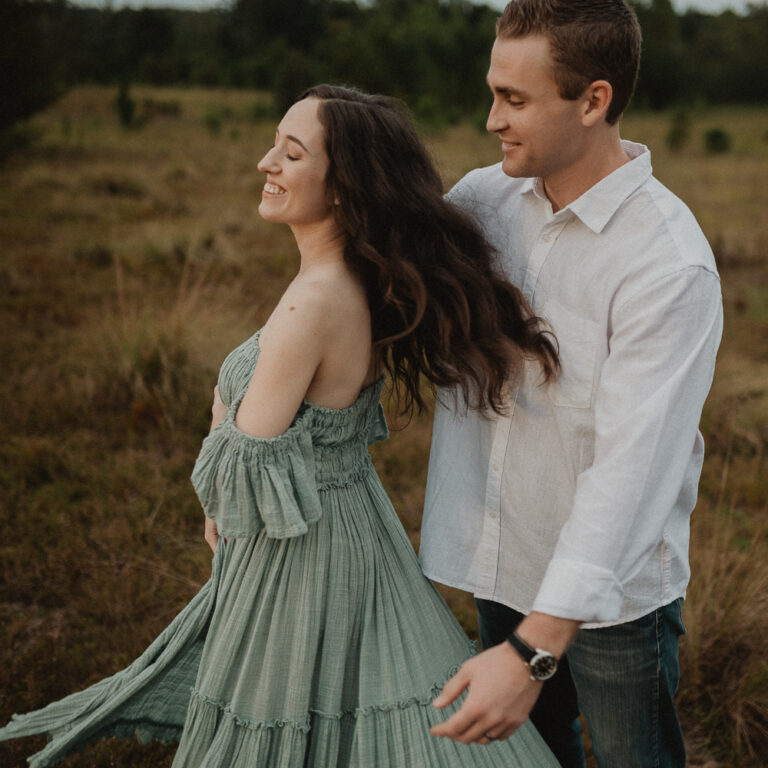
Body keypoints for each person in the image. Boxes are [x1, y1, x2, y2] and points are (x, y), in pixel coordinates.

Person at [0, 85, 561, 767]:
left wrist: (220, 407)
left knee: (289, 714)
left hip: (300, 549)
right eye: (274, 144)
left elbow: (243, 468)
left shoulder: (313, 302)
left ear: (341, 188)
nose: (267, 162)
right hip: (346, 525)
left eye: (291, 154)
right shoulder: (352, 280)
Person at [421, 2, 723, 767]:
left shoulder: (666, 263)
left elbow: (632, 473)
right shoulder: (481, 203)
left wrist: (532, 653)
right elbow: (374, 296)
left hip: (611, 597)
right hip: (498, 561)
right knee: (525, 761)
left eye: (514, 100)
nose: (492, 119)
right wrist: (249, 400)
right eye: (493, 93)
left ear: (593, 100)